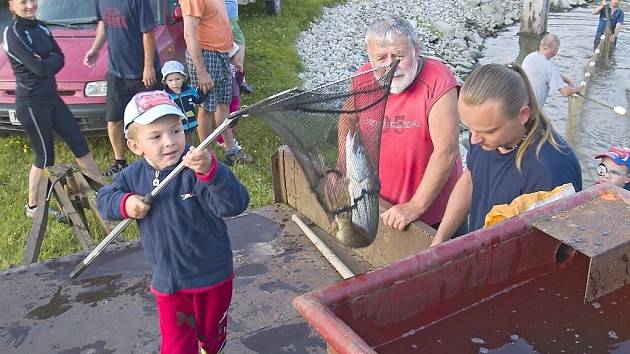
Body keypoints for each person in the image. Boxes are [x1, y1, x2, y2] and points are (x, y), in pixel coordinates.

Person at [96, 90, 249, 354]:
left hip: (212, 278)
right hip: (168, 284)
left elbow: (234, 204)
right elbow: (104, 200)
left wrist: (211, 172)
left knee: (211, 339)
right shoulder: (132, 177)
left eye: (176, 131)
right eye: (156, 136)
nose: (169, 142)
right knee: (176, 346)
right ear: (135, 146)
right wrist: (126, 203)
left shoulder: (196, 168)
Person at [431, 63, 583, 247]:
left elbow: (555, 246)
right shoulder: (482, 133)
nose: (475, 139)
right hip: (480, 253)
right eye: (470, 128)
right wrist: (440, 240)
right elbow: (470, 179)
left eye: (489, 131)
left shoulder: (551, 168)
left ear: (522, 115)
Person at [354, 17, 463, 231]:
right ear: (370, 57)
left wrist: (415, 206)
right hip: (382, 208)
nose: (390, 65)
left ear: (416, 49)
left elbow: (447, 152)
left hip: (434, 215)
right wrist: (348, 171)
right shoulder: (362, 79)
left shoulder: (438, 80)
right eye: (381, 58)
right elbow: (347, 123)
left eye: (398, 56)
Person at [4, 0, 101, 218]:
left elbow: (60, 58)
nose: (30, 5)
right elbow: (38, 68)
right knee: (45, 156)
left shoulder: (41, 28)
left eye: (32, 0)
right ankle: (33, 207)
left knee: (79, 142)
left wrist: (45, 61)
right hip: (31, 104)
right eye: (23, 2)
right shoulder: (13, 33)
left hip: (52, 98)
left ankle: (101, 191)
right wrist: (46, 61)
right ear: (11, 5)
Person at [84, 0, 162, 176]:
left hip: (142, 72)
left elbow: (148, 32)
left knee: (151, 119)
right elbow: (103, 23)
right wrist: (95, 49)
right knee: (114, 118)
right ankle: (120, 162)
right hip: (116, 72)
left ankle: (156, 161)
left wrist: (148, 66)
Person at [180, 0, 254, 164]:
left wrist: (231, 50)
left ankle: (231, 150)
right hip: (206, 56)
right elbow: (189, 34)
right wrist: (201, 71)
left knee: (224, 103)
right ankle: (206, 155)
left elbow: (220, 20)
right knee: (206, 108)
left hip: (222, 53)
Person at [521, 34, 580, 108]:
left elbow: (546, 72)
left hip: (520, 104)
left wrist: (568, 80)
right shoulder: (550, 67)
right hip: (533, 112)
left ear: (541, 45)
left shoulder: (529, 57)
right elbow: (565, 92)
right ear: (555, 51)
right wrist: (577, 89)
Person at [161, 60, 206, 145]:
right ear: (165, 82)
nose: (175, 83)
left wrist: (201, 91)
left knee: (190, 145)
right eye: (170, 80)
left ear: (183, 78)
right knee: (178, 146)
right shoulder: (165, 96)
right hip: (175, 128)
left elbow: (198, 99)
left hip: (191, 124)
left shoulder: (189, 90)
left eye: (177, 79)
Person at [225, 0, 253, 94]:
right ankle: (236, 82)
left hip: (229, 14)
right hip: (226, 14)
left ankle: (240, 79)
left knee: (239, 40)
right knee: (232, 45)